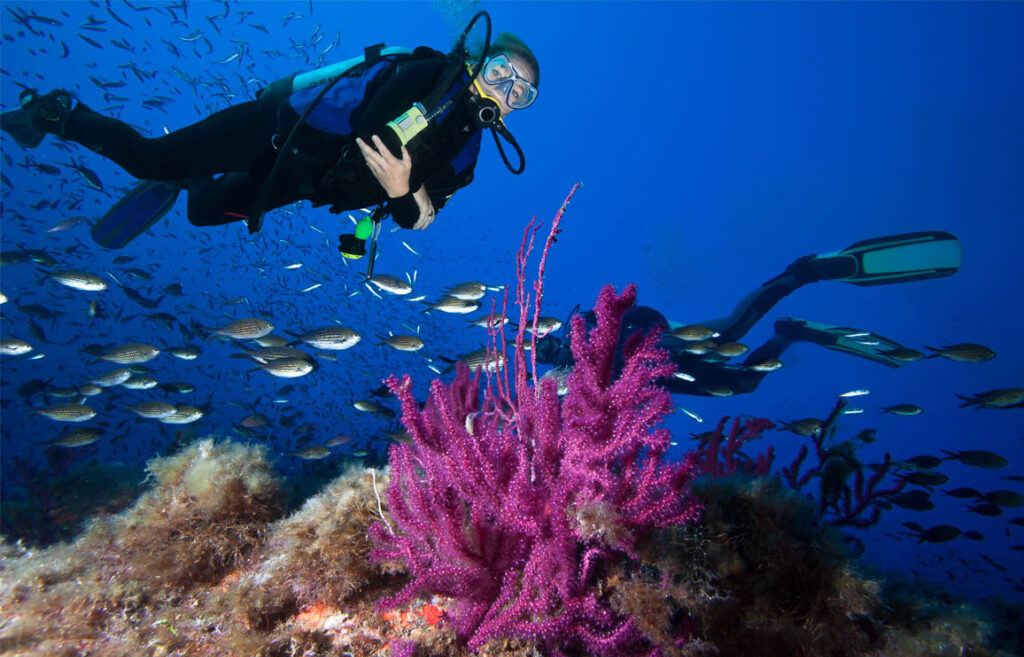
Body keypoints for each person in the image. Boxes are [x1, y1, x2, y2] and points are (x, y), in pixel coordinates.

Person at [1, 20, 538, 249]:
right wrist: (406, 190)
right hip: (276, 135)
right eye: (499, 73)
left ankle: (189, 182)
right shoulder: (427, 75)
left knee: (202, 212)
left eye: (521, 93)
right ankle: (59, 115)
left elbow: (422, 219)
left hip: (300, 184)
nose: (505, 91)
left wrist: (406, 192)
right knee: (147, 159)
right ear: (475, 61)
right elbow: (377, 135)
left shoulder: (467, 155)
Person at [534, 231, 963, 397]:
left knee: (732, 331)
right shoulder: (564, 381)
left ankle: (804, 272)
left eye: (549, 342)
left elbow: (626, 315)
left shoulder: (584, 327)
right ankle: (791, 333)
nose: (553, 351)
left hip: (648, 340)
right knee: (741, 385)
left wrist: (595, 341)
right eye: (546, 353)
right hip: (654, 375)